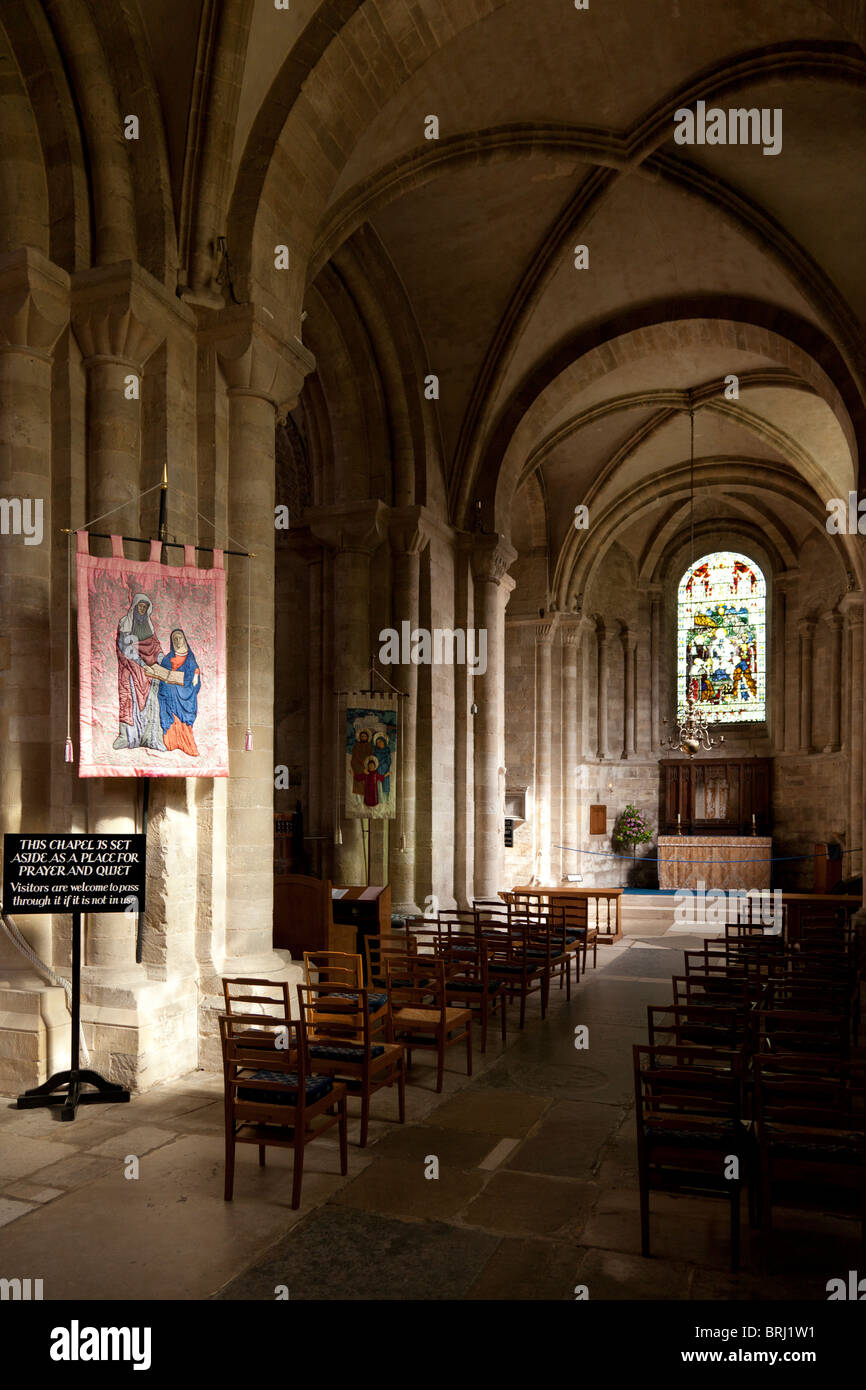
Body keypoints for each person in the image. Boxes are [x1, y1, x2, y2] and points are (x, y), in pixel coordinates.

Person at [113, 593, 165, 750]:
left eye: (145, 607)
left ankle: (150, 738)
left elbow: (155, 646)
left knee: (154, 700)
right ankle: (127, 737)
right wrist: (141, 664)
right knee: (128, 698)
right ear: (134, 607)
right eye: (140, 606)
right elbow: (124, 647)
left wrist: (161, 659)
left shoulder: (149, 626)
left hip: (149, 670)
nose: (142, 609)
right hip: (131, 667)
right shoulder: (125, 623)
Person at [143, 628, 201, 756]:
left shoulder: (190, 659)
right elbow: (164, 675)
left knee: (183, 725)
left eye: (180, 637)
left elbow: (193, 679)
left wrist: (196, 675)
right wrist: (156, 674)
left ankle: (186, 745)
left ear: (184, 639)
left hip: (184, 697)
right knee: (167, 694)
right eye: (175, 638)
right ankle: (171, 743)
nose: (177, 640)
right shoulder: (167, 659)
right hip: (169, 698)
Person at [372, 732, 392, 801]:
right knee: (378, 787)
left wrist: (383, 766)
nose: (379, 744)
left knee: (385, 787)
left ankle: (386, 801)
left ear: (384, 742)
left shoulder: (387, 751)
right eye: (377, 743)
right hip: (377, 771)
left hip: (385, 770)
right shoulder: (375, 752)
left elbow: (389, 761)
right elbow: (373, 761)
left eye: (380, 742)